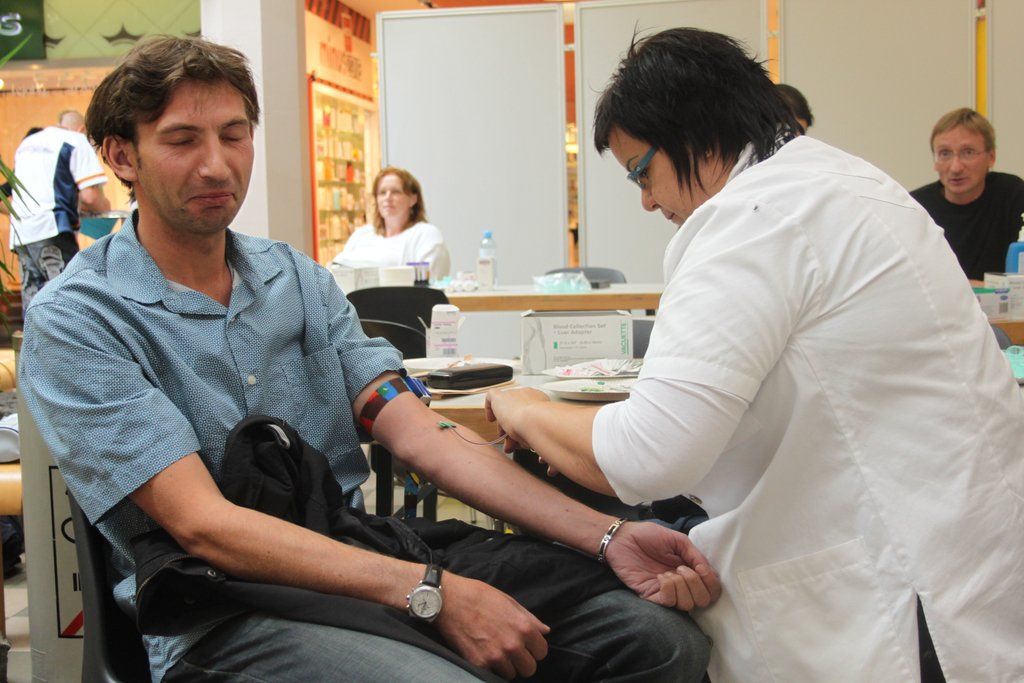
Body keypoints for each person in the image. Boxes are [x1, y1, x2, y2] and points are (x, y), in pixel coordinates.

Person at [18, 36, 718, 682]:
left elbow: (423, 435)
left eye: (234, 135)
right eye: (181, 140)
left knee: (658, 638)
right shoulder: (82, 317)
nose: (217, 164)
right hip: (222, 609)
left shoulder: (294, 279)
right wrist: (430, 592)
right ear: (121, 156)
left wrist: (608, 536)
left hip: (360, 554)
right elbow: (206, 527)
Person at [486, 27, 1024, 682]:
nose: (648, 199)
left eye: (642, 171)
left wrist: (525, 407)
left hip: (897, 597)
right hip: (965, 557)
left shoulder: (753, 220)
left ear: (695, 134)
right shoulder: (849, 183)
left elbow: (650, 453)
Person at [3, 111, 110, 307]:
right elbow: (90, 197)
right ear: (81, 129)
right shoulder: (76, 140)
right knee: (68, 303)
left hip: (21, 235)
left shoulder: (28, 144)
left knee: (34, 303)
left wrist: (27, 213)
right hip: (52, 230)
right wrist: (105, 205)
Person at [910, 108, 1024, 279]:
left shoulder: (1013, 195)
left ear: (991, 157)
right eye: (945, 153)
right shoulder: (915, 207)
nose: (955, 167)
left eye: (968, 152)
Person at [333, 166, 451, 278]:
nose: (388, 198)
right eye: (382, 192)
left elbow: (431, 282)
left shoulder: (425, 235)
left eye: (396, 192)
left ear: (413, 199)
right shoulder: (361, 235)